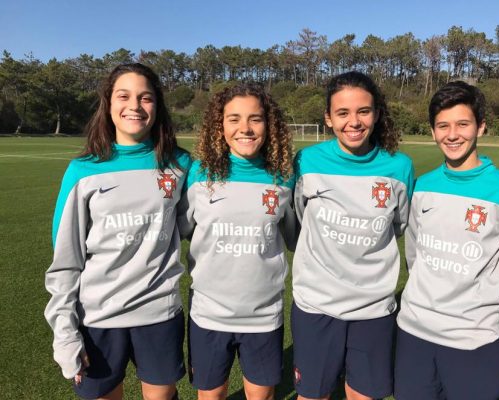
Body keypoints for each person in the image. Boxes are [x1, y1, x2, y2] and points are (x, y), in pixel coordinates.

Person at [44, 63, 191, 400]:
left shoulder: (181, 165)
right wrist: (64, 331)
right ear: (108, 103)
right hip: (98, 317)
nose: (135, 106)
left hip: (159, 313)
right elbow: (65, 261)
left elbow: (198, 224)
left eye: (145, 97)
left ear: (158, 105)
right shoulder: (82, 171)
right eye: (124, 96)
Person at [395, 81, 499, 400]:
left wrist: (479, 308)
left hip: (474, 339)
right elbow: (414, 256)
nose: (452, 135)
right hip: (414, 333)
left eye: (463, 124)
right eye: (443, 126)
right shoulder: (421, 188)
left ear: (481, 126)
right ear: (433, 131)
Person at [291, 71, 414, 400]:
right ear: (328, 118)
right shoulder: (307, 161)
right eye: (343, 112)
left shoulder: (399, 167)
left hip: (374, 309)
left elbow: (398, 225)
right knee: (313, 395)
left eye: (363, 111)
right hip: (316, 306)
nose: (354, 122)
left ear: (376, 114)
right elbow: (299, 218)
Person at [179, 82, 296, 400]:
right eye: (234, 119)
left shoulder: (283, 177)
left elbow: (295, 237)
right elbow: (182, 229)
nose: (245, 128)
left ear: (269, 125)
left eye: (255, 119)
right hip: (208, 313)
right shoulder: (199, 173)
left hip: (263, 314)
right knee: (211, 395)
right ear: (220, 125)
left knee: (261, 395)